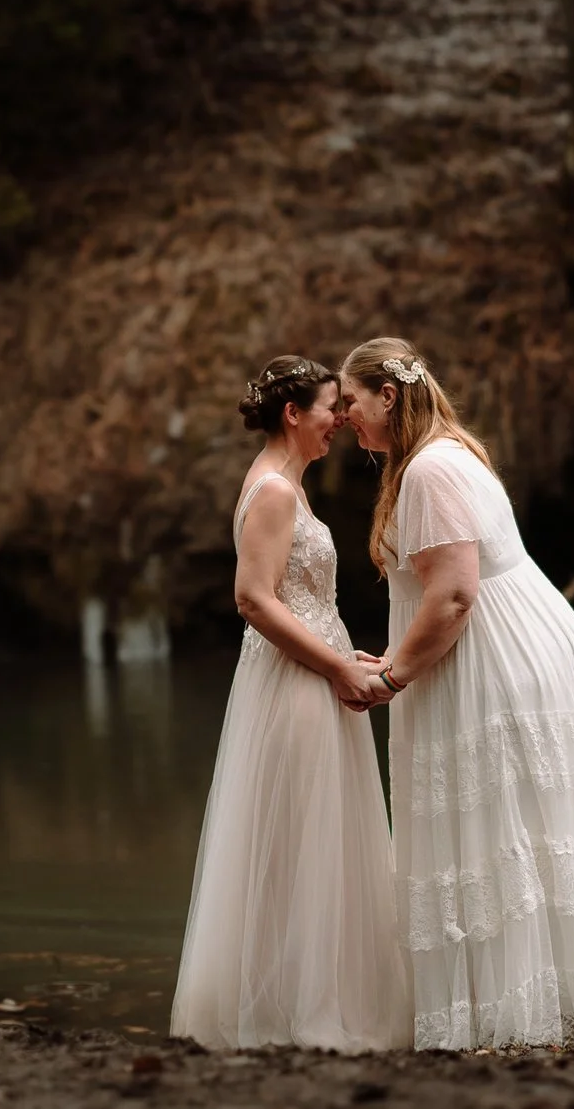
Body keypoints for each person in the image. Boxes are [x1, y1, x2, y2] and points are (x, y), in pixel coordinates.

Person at [338, 337, 574, 1050]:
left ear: (387, 396)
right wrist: (395, 654)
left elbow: (454, 596)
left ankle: (528, 1019)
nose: (344, 418)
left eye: (352, 402)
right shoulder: (453, 452)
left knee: (511, 830)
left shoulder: (429, 469)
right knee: (538, 829)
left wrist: (392, 676)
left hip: (497, 655)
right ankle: (562, 1010)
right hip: (526, 641)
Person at [169, 355, 413, 1051]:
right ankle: (296, 1013)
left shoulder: (288, 487)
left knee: (318, 839)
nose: (341, 419)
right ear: (293, 414)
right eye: (332, 406)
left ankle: (308, 998)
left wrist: (350, 652)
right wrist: (336, 662)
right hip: (296, 682)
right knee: (301, 843)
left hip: (318, 672)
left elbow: (304, 598)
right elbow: (253, 597)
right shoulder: (274, 491)